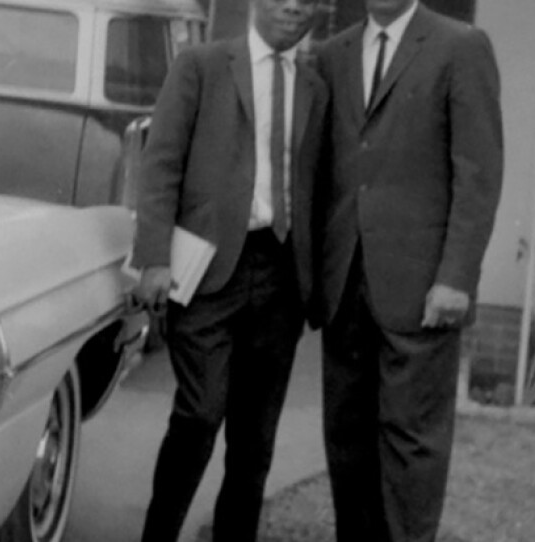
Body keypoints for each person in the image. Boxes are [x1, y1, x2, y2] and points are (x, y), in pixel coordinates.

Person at [130, 0, 326, 540]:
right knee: (199, 414)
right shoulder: (201, 66)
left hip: (282, 276)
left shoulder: (315, 87)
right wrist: (153, 257)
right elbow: (162, 161)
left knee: (254, 441)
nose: (293, 7)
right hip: (210, 271)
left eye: (307, 0)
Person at [315, 1, 503, 540]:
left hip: (422, 290)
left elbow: (479, 174)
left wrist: (456, 277)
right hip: (345, 281)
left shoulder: (460, 47)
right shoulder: (334, 53)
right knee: (346, 438)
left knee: (411, 442)